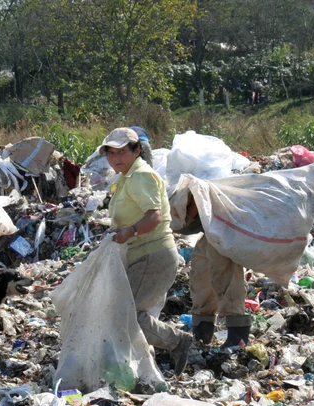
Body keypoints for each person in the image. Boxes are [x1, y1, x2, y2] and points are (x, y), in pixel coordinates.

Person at [102, 127, 193, 375]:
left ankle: (177, 341)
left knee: (128, 315)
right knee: (124, 313)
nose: (115, 158)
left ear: (137, 150)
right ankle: (138, 362)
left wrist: (129, 231)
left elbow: (154, 216)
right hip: (140, 256)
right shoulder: (125, 179)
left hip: (152, 255)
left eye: (121, 152)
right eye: (110, 153)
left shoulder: (141, 175)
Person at [183, 195, 250, 348]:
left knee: (226, 278)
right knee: (201, 277)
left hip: (224, 228)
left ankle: (237, 339)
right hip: (209, 230)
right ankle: (202, 333)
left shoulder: (201, 184)